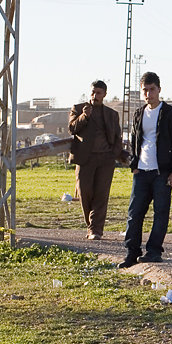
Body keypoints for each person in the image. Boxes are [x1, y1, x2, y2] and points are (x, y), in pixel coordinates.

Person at [120, 72, 172, 267]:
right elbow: (134, 140)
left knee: (160, 212)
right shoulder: (139, 113)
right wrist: (135, 165)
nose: (148, 94)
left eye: (152, 90)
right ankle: (132, 253)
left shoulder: (170, 113)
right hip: (142, 171)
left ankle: (154, 251)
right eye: (145, 90)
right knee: (135, 213)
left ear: (159, 90)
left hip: (162, 172)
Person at [68, 80, 122, 240]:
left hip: (106, 159)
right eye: (93, 92)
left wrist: (114, 154)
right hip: (85, 159)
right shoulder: (78, 109)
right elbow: (72, 128)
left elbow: (117, 137)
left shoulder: (112, 114)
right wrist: (84, 116)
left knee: (101, 194)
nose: (95, 96)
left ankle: (95, 230)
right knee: (85, 193)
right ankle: (90, 225)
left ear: (104, 94)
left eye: (98, 93)